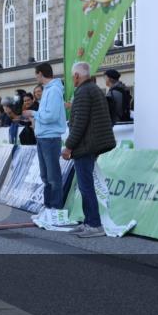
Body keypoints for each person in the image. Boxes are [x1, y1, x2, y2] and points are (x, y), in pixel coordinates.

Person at [62, 62, 116, 237]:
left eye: (73, 76)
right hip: (91, 144)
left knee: (86, 186)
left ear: (77, 76)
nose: (73, 80)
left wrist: (68, 146)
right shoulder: (93, 89)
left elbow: (79, 124)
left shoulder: (84, 92)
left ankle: (94, 224)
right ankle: (89, 222)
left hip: (85, 146)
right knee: (86, 185)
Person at [23, 63, 69, 230]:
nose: (36, 78)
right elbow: (48, 115)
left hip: (50, 138)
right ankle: (48, 207)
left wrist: (33, 113)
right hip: (43, 137)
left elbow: (51, 116)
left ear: (41, 74)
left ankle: (55, 208)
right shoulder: (49, 90)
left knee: (53, 175)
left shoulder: (54, 91)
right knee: (45, 175)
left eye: (36, 75)